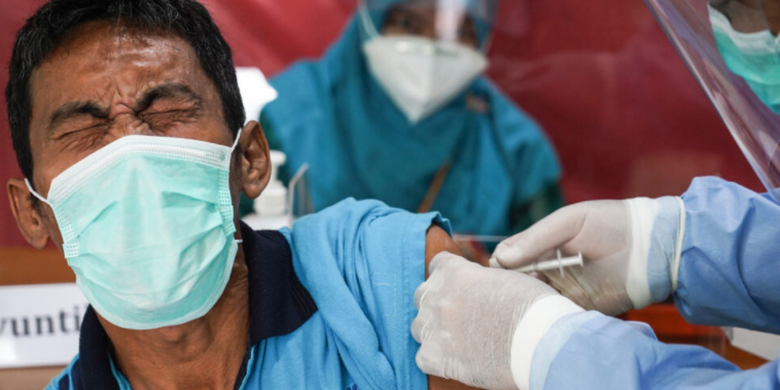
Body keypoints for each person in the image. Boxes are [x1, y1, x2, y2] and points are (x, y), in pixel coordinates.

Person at [3, 1, 482, 389]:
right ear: (32, 213)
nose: (132, 156)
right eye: (84, 130)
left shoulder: (378, 277)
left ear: (249, 159)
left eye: (167, 110)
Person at [411, 0, 780, 389]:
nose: (740, 29)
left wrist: (553, 354)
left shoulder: (515, 147)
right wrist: (674, 242)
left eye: (739, 5)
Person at [261, 0, 563, 237]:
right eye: (407, 23)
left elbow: (550, 281)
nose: (431, 50)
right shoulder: (285, 116)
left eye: (458, 31)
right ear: (371, 22)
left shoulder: (516, 149)